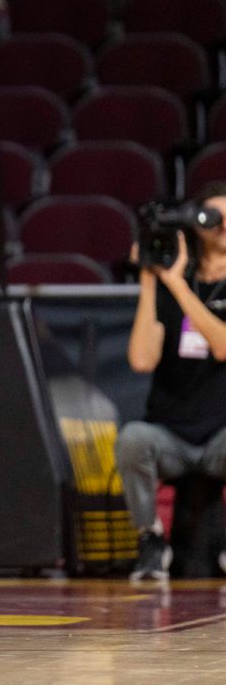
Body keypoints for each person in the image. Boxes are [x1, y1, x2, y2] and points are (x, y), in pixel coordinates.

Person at [118, 181, 226, 582]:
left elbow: (221, 346)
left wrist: (177, 284)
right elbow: (142, 359)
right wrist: (150, 281)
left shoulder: (184, 284)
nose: (222, 225)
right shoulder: (171, 282)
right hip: (172, 436)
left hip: (220, 437)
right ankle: (150, 540)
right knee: (133, 439)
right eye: (213, 216)